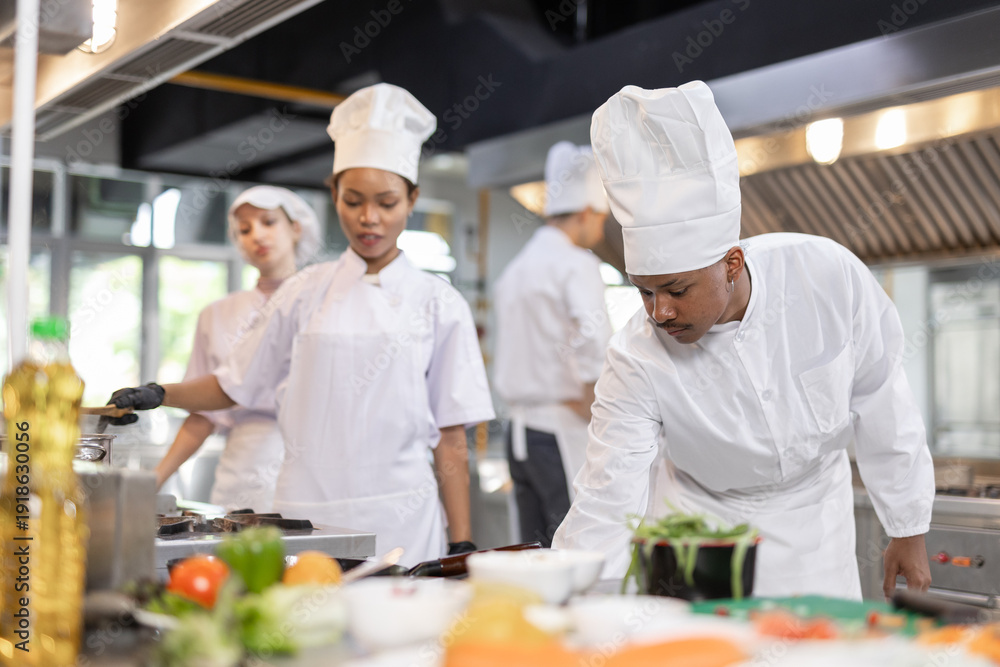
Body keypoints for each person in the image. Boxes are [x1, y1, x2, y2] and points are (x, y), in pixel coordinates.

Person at [553, 81, 935, 600]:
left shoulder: (825, 277)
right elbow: (607, 491)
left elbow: (881, 394)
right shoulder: (635, 357)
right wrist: (570, 597)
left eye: (677, 290)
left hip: (816, 534)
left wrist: (908, 527)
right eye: (644, 292)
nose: (660, 312)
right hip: (703, 534)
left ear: (731, 263)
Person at [108, 83, 495, 566]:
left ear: (412, 199)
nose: (369, 218)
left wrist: (462, 541)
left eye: (387, 202)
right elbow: (232, 385)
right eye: (353, 200)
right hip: (306, 517)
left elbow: (452, 435)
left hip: (403, 518)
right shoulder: (303, 291)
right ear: (334, 194)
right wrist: (159, 393)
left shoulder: (439, 302)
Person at [152, 186, 321, 512]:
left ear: (296, 229)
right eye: (244, 229)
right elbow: (203, 416)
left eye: (268, 222)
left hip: (311, 463)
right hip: (242, 470)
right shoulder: (217, 315)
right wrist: (156, 478)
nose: (257, 235)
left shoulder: (324, 305)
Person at [492, 141, 611, 547]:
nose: (601, 231)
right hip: (560, 431)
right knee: (573, 548)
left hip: (519, 436)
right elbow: (594, 335)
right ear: (585, 213)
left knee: (532, 550)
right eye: (601, 219)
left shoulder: (516, 269)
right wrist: (594, 398)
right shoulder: (577, 264)